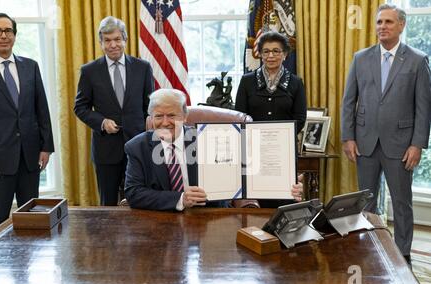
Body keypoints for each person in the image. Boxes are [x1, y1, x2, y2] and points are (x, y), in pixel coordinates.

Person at [341, 4, 431, 264]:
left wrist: (417, 144)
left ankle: (403, 253)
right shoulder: (360, 58)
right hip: (365, 143)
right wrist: (349, 137)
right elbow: (349, 101)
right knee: (366, 203)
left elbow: (424, 108)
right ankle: (370, 246)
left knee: (402, 203)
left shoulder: (417, 60)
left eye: (389, 22)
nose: (383, 27)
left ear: (401, 25)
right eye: (379, 22)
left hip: (401, 146)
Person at [124, 88, 303, 211]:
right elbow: (134, 192)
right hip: (161, 220)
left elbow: (245, 176)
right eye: (158, 116)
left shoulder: (210, 139)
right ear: (150, 118)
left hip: (210, 216)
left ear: (185, 117)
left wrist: (286, 188)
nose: (165, 122)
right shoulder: (137, 147)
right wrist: (180, 199)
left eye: (171, 115)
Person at [0, 13, 54, 230]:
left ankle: (28, 262)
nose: (4, 36)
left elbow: (42, 110)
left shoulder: (30, 66)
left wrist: (46, 147)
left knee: (31, 218)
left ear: (15, 35)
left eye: (8, 31)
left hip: (30, 158)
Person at [74, 16, 154, 205]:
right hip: (106, 149)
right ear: (101, 43)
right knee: (108, 203)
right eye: (107, 40)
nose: (113, 45)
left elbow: (149, 107)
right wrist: (101, 122)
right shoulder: (89, 71)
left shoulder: (143, 68)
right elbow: (80, 107)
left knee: (139, 200)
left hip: (138, 146)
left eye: (117, 39)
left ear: (125, 40)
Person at [235, 31, 307, 134]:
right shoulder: (246, 81)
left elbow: (300, 119)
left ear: (285, 54)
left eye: (276, 51)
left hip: (285, 142)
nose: (271, 55)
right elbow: (240, 116)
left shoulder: (296, 82)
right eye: (266, 51)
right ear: (260, 54)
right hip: (254, 141)